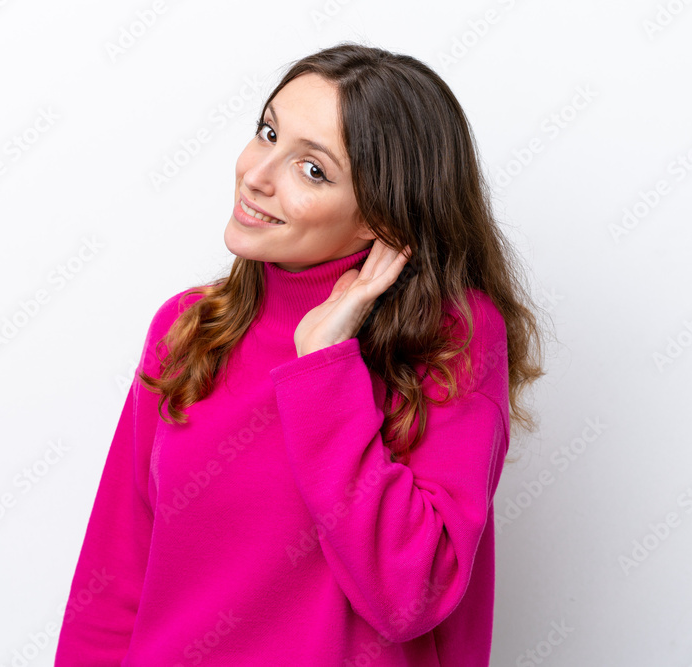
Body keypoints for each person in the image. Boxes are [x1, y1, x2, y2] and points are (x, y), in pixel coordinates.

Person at [54, 41, 546, 666]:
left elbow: (409, 597)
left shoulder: (452, 340)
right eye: (267, 133)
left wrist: (323, 368)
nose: (256, 174)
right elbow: (115, 576)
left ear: (382, 218)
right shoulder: (187, 328)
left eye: (311, 169)